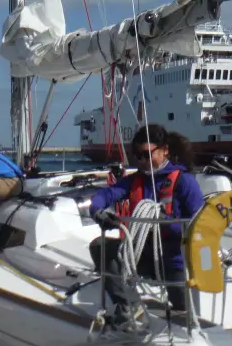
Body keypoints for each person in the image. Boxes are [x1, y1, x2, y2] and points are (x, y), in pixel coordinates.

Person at [87, 124, 204, 330]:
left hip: (174, 260)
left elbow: (199, 226)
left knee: (183, 308)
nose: (141, 161)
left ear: (164, 150)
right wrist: (98, 211)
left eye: (146, 154)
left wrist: (162, 221)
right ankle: (131, 309)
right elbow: (107, 195)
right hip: (140, 255)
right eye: (137, 155)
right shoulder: (134, 181)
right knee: (101, 246)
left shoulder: (185, 182)